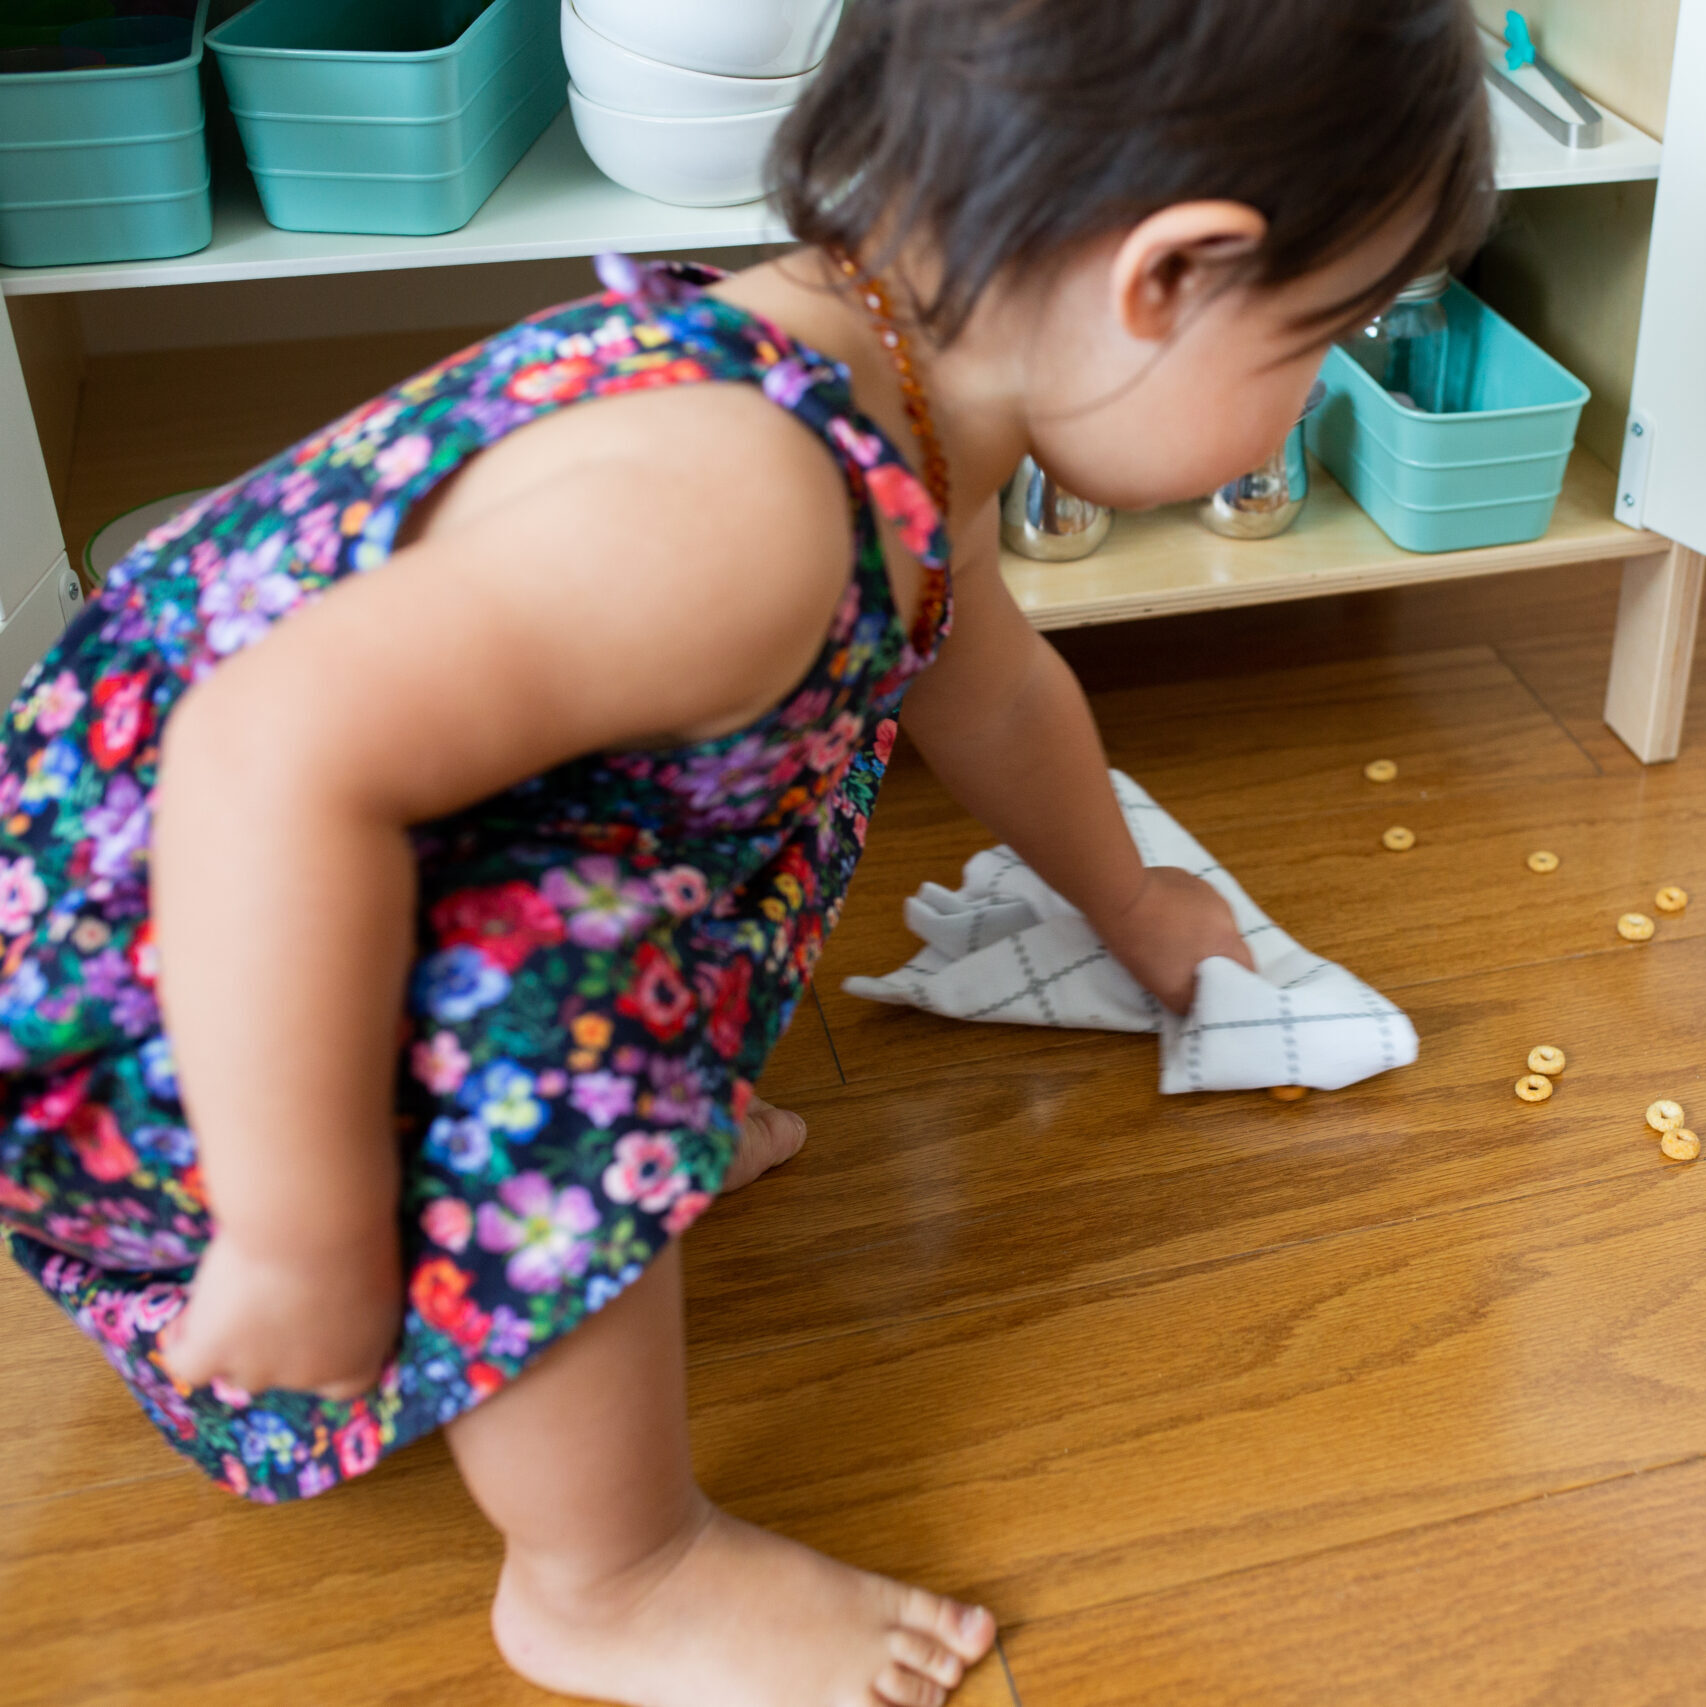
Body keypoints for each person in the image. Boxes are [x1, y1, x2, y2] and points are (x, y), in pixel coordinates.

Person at [0, 0, 1493, 1701]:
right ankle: (608, 1574)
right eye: (1323, 339)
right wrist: (303, 1234)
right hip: (174, 1012)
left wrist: (1133, 899)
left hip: (272, 889)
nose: (1311, 392)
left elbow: (985, 682)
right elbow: (261, 756)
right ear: (1161, 278)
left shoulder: (892, 380)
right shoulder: (739, 509)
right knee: (546, 989)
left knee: (713, 816)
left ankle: (604, 1152)